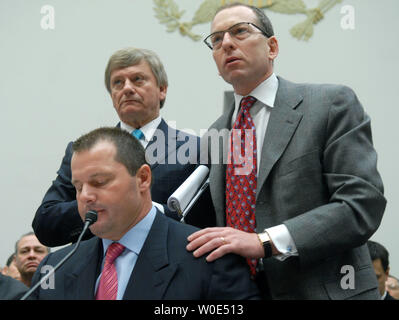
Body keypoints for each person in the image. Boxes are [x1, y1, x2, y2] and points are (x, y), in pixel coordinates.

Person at [187, 3, 386, 299]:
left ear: (272, 47)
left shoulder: (330, 104)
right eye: (216, 40)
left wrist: (265, 242)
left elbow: (361, 205)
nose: (226, 43)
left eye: (240, 31)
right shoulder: (213, 137)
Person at [30, 127, 259, 300]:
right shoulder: (55, 269)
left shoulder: (209, 260)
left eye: (99, 182)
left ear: (143, 178)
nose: (85, 196)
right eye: (78, 187)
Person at [33, 47, 214, 247]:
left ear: (162, 90)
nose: (127, 88)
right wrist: (102, 204)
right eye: (118, 83)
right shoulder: (83, 153)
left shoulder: (197, 150)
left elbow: (207, 224)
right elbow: (46, 222)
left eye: (138, 79)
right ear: (112, 96)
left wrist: (147, 210)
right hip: (101, 268)